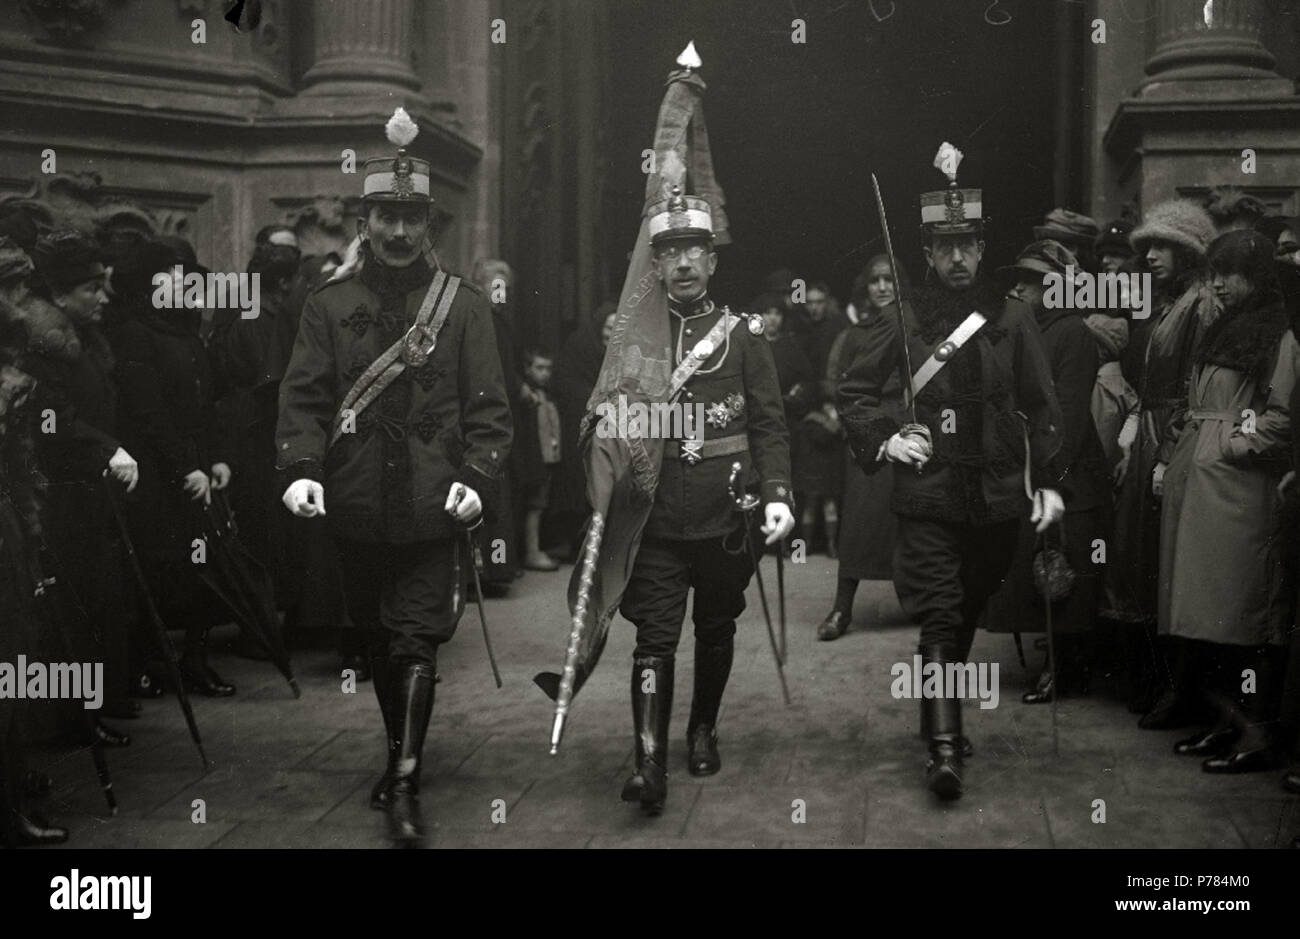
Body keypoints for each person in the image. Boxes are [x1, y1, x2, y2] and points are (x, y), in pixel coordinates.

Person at [276, 108, 512, 845]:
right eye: (386, 216)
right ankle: (396, 748)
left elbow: (491, 409)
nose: (400, 232)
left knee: (415, 637)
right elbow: (303, 395)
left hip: (429, 502)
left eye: (412, 217)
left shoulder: (464, 308)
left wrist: (478, 473)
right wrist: (300, 465)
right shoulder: (327, 305)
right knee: (377, 636)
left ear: (429, 223)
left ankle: (406, 780)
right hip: (352, 500)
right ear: (365, 218)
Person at [837, 144, 1065, 801]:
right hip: (929, 495)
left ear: (982, 248)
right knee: (940, 615)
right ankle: (943, 749)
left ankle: (943, 714)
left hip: (995, 502)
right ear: (929, 252)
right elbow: (853, 393)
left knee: (965, 610)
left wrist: (1047, 481)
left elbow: (1041, 404)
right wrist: (885, 440)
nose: (959, 255)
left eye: (968, 243)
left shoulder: (1012, 318)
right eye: (946, 245)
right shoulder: (902, 319)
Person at [614, 188, 794, 815]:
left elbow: (769, 422)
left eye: (694, 249)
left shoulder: (743, 334)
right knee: (654, 639)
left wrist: (776, 493)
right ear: (656, 265)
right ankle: (647, 760)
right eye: (670, 252)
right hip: (657, 515)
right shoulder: (633, 339)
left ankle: (701, 728)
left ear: (712, 262)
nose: (684, 262)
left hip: (726, 513)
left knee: (715, 626)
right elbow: (606, 421)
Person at [1158, 229, 1296, 774]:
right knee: (1213, 616)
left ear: (1255, 276)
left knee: (1245, 617)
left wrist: (1230, 447)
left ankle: (1256, 734)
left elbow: (1281, 419)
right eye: (1214, 270)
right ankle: (1229, 723)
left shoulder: (1279, 336)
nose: (1217, 281)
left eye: (1228, 272)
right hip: (1209, 487)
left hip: (1239, 493)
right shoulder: (1227, 327)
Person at [1105, 199, 1219, 726]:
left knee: (1168, 562)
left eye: (1162, 247)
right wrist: (1134, 429)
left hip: (1175, 436)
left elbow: (1197, 389)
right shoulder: (1167, 301)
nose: (1150, 256)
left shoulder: (1200, 306)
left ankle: (1177, 688)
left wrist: (1166, 452)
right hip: (1149, 430)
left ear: (1188, 252)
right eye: (1146, 247)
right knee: (1140, 555)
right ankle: (1149, 679)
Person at [107, 238, 236, 697]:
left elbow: (207, 404)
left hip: (195, 470)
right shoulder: (135, 333)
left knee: (203, 567)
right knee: (157, 569)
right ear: (151, 282)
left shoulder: (187, 331)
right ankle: (142, 663)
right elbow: (149, 413)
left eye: (186, 274)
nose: (184, 282)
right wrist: (186, 468)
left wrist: (215, 457)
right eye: (173, 274)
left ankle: (195, 661)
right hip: (157, 476)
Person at [25, 229, 138, 741]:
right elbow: (50, 420)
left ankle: (81, 714)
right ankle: (61, 721)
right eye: (92, 288)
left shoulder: (84, 337)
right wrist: (105, 449)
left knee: (91, 606)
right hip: (57, 499)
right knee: (64, 612)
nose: (103, 297)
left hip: (87, 497)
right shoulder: (45, 347)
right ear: (61, 293)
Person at [990, 240, 1110, 704]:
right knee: (1042, 560)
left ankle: (1067, 666)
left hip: (1067, 466)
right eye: (1019, 279)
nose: (1019, 287)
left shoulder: (1073, 333)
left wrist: (1052, 476)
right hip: (1031, 461)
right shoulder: (1024, 329)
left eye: (1033, 281)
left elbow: (1071, 415)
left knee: (1066, 563)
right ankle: (1057, 657)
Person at [0, 237, 68, 846]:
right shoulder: (14, 383)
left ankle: (11, 803)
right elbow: (25, 481)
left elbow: (24, 477)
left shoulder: (15, 383)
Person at [815, 255, 906, 640]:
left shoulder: (916, 328)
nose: (882, 287)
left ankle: (925, 602)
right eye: (875, 281)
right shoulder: (852, 335)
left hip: (913, 426)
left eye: (889, 280)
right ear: (865, 288)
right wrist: (856, 427)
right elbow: (836, 382)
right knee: (859, 520)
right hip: (869, 431)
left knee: (916, 519)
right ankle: (841, 609)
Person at [514, 347, 562, 571]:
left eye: (548, 368)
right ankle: (531, 552)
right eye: (539, 368)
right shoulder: (527, 398)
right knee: (534, 505)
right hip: (534, 459)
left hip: (548, 457)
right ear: (527, 368)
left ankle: (535, 548)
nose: (545, 373)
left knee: (541, 505)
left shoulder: (548, 394)